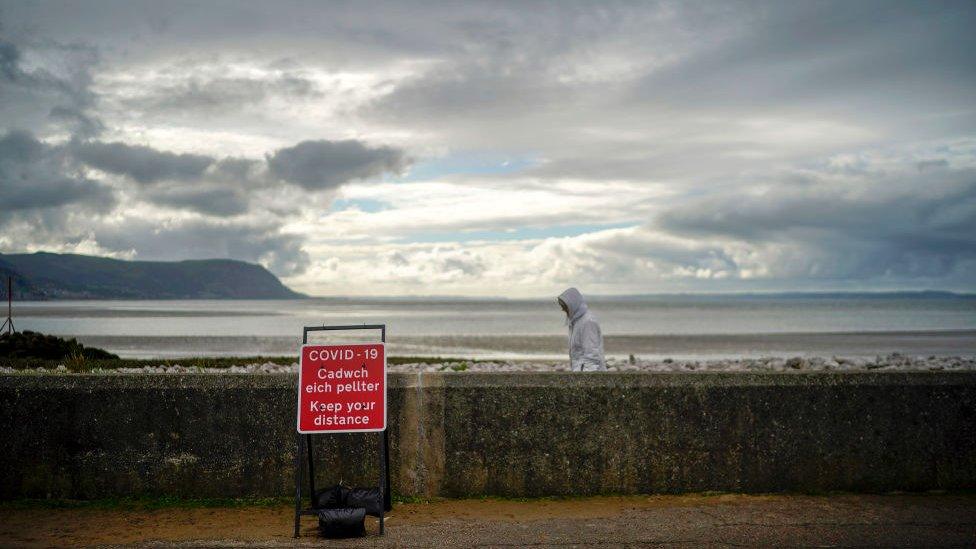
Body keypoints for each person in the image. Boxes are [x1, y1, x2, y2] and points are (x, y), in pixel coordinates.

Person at [556, 287, 606, 372]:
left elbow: (592, 355)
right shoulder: (575, 321)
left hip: (588, 376)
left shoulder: (587, 322)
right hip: (580, 374)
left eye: (564, 306)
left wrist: (586, 381)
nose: (563, 309)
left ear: (573, 304)